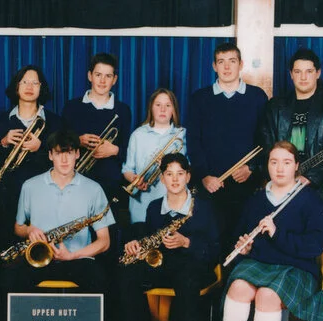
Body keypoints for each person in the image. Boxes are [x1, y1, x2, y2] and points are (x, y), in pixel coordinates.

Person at [215, 141, 323, 321]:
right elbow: (241, 234)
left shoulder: (310, 200)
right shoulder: (256, 199)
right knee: (237, 287)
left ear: (296, 166)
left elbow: (314, 246)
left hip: (296, 268)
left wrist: (277, 234)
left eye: (286, 163)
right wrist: (244, 247)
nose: (279, 169)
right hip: (261, 263)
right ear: (267, 165)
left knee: (267, 295)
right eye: (273, 162)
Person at [258, 48, 323, 321]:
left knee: (318, 251)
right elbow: (268, 144)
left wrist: (311, 177)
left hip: (318, 191)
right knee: (281, 246)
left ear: (318, 73)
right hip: (281, 189)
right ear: (290, 74)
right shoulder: (276, 107)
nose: (303, 76)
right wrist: (283, 175)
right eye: (297, 71)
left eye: (309, 71)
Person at [115, 153, 219, 321]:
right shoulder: (154, 207)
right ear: (162, 178)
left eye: (180, 174)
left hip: (194, 265)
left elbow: (215, 247)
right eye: (169, 174)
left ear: (188, 177)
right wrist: (136, 243)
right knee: (129, 274)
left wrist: (187, 242)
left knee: (186, 280)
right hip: (164, 264)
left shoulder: (203, 207)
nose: (174, 180)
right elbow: (149, 238)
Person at [5, 130, 115, 293]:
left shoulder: (94, 189)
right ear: (50, 155)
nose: (64, 160)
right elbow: (18, 228)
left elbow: (104, 241)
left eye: (69, 153)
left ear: (77, 154)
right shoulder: (30, 186)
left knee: (99, 279)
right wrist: (29, 230)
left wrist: (73, 256)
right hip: (40, 258)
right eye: (58, 153)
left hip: (78, 260)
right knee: (11, 278)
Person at [186, 42, 267, 257]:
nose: (227, 67)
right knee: (212, 245)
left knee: (242, 247)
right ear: (214, 66)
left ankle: (236, 290)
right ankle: (216, 291)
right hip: (211, 187)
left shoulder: (257, 97)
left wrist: (252, 168)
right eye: (221, 62)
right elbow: (193, 142)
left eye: (232, 61)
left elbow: (264, 141)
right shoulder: (199, 99)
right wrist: (204, 176)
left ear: (241, 64)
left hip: (246, 186)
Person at [0, 65, 63, 245]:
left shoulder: (55, 122)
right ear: (16, 87)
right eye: (24, 82)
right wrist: (3, 142)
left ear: (42, 87)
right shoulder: (1, 121)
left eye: (35, 83)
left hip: (44, 195)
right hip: (10, 195)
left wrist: (41, 146)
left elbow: (65, 161)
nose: (29, 87)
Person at [61, 53, 132, 200]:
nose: (102, 80)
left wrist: (114, 150)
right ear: (89, 76)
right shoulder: (71, 107)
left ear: (115, 80)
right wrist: (77, 141)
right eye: (98, 74)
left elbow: (130, 150)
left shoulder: (123, 110)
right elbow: (58, 144)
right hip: (75, 182)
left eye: (108, 76)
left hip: (110, 185)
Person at [121, 88, 185, 233]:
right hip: (142, 205)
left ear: (174, 109)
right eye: (158, 105)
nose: (163, 109)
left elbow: (189, 170)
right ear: (151, 107)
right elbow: (127, 170)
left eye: (168, 105)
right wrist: (135, 180)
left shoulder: (182, 135)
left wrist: (169, 163)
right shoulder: (138, 135)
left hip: (173, 206)